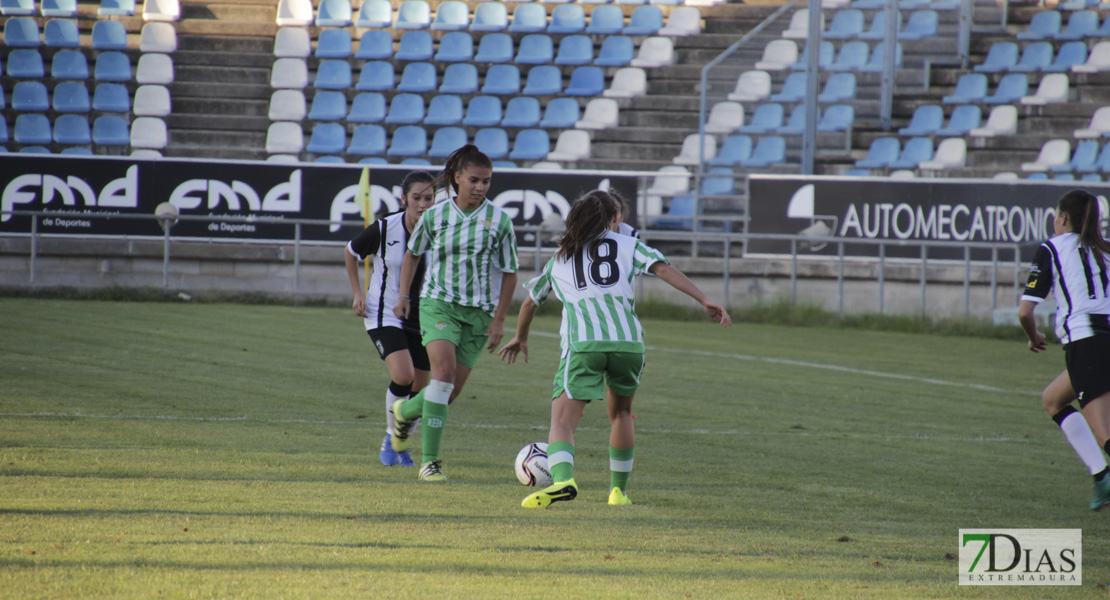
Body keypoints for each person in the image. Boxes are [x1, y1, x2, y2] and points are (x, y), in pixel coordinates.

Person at [498, 190, 731, 509]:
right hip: (629, 344)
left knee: (562, 420)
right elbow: (662, 268)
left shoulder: (561, 257)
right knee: (621, 413)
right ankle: (617, 492)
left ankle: (563, 481)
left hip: (585, 345)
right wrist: (703, 298)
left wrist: (521, 337)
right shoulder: (629, 244)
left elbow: (529, 302)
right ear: (616, 218)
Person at [390, 145, 519, 482]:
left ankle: (405, 410)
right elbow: (412, 255)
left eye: (487, 182)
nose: (480, 187)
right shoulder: (434, 216)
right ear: (457, 178)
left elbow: (509, 272)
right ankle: (429, 463)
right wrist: (404, 295)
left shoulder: (500, 221)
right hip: (438, 305)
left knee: (446, 394)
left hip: (478, 314)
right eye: (474, 180)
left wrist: (500, 319)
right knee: (442, 376)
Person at [1019, 189, 1110, 511]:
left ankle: (1105, 477)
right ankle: (1101, 476)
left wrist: (1033, 337)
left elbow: (1025, 312)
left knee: (1106, 437)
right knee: (1054, 399)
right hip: (1103, 339)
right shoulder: (1105, 250)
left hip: (1087, 343)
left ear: (1064, 218)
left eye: (1056, 216)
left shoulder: (1052, 248)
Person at [344, 171, 436, 467]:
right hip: (384, 312)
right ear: (404, 198)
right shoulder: (385, 228)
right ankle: (390, 440)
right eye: (417, 198)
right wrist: (358, 293)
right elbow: (350, 251)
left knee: (422, 387)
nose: (423, 204)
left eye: (429, 198)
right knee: (403, 375)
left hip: (424, 315)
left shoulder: (440, 230)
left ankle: (400, 441)